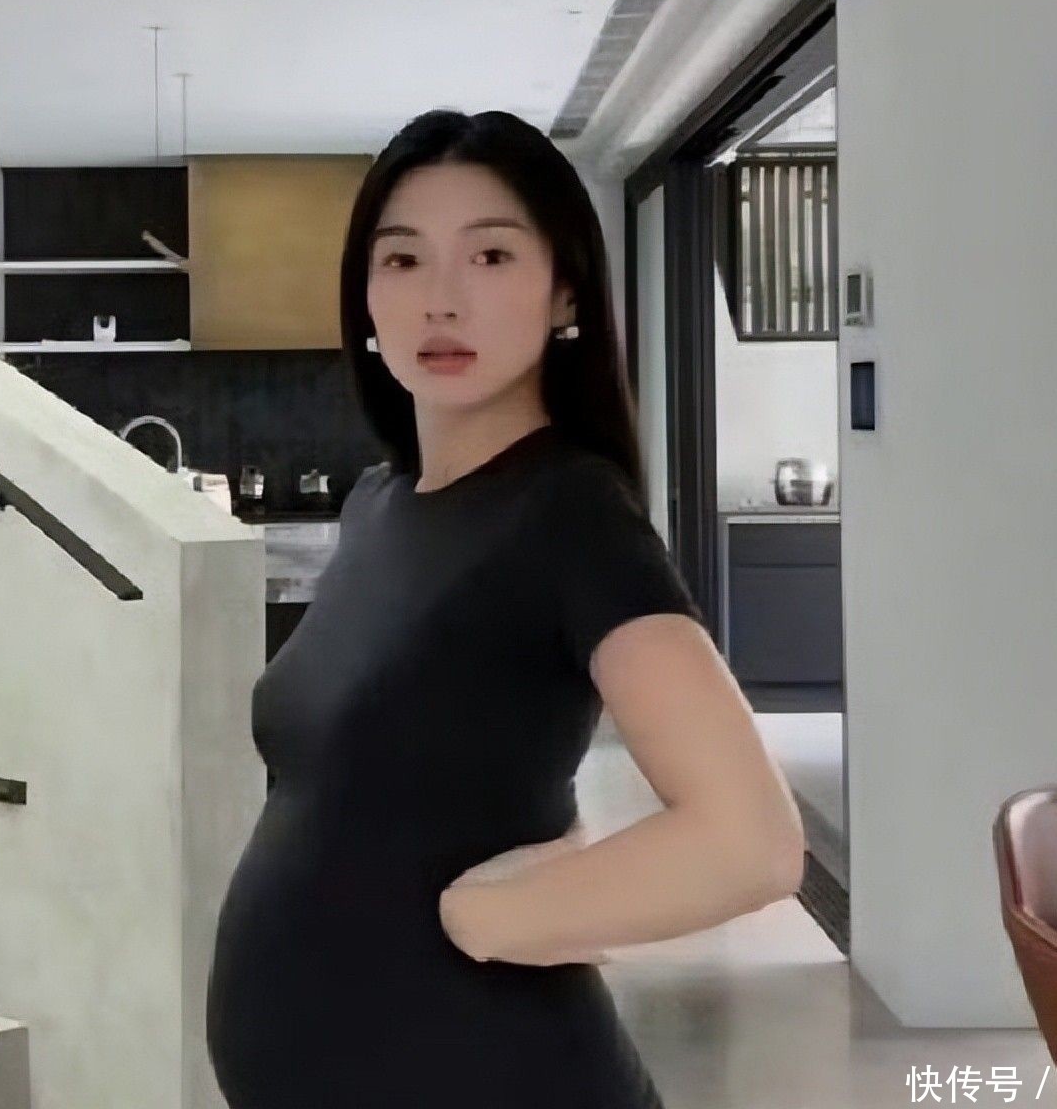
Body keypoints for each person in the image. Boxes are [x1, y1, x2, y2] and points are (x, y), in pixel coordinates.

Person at [205, 108, 806, 1109]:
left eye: (489, 255)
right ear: (364, 295)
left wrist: (500, 917)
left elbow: (750, 840)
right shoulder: (379, 504)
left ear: (565, 289)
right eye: (403, 260)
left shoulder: (572, 513)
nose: (441, 298)